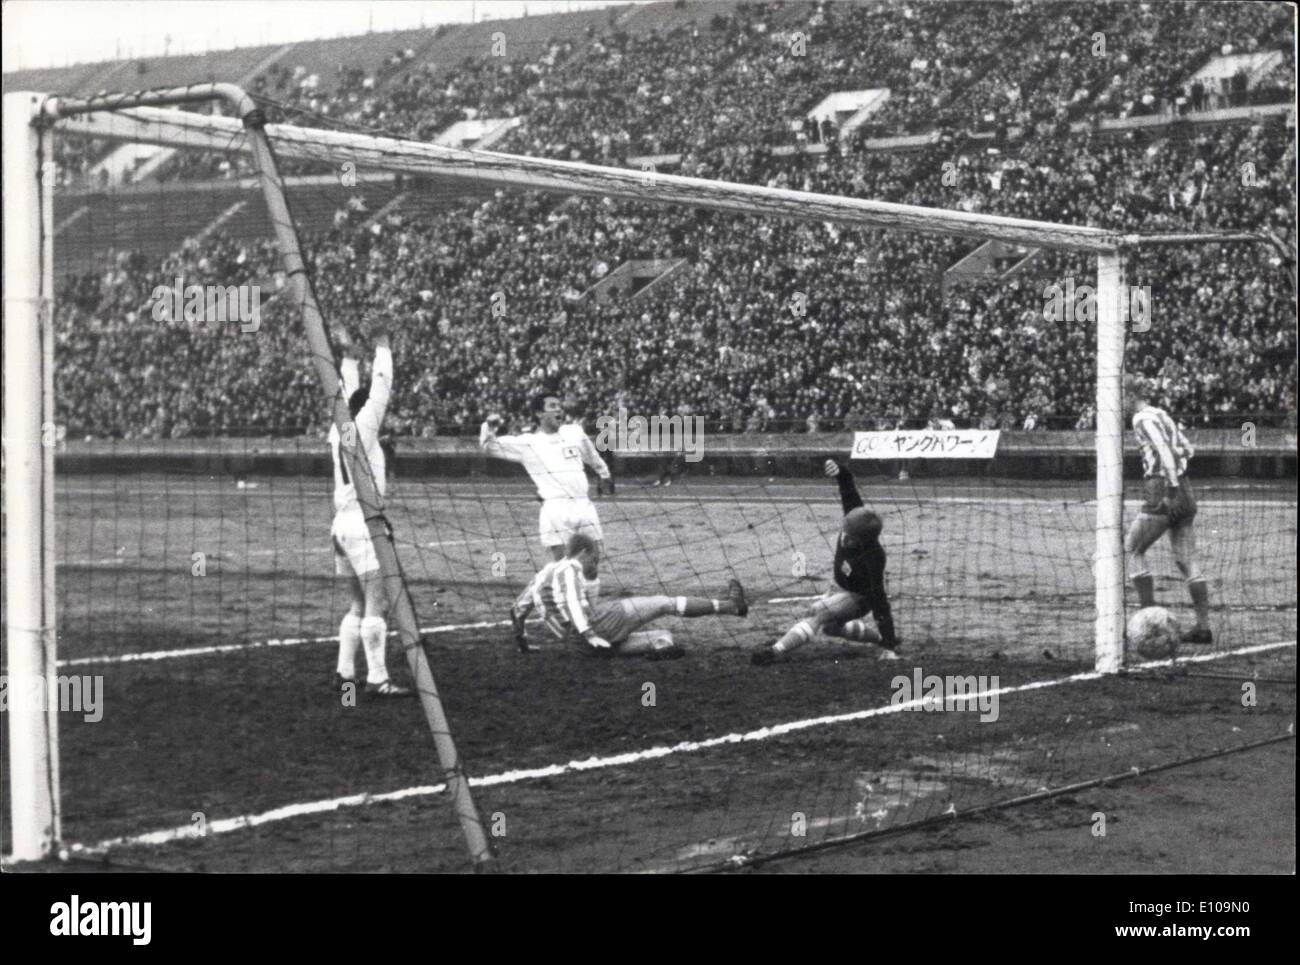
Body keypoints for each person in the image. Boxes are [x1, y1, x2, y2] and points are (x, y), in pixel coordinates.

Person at [752, 459, 899, 665]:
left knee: (818, 612)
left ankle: (774, 652)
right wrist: (839, 470)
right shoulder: (855, 517)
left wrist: (889, 647)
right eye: (844, 532)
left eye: (851, 538)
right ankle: (879, 640)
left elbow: (880, 603)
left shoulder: (873, 558)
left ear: (864, 540)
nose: (844, 538)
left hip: (858, 597)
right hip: (838, 585)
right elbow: (848, 486)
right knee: (831, 628)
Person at [330, 330, 412, 697]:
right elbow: (381, 386)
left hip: (340, 525)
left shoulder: (337, 430)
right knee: (377, 602)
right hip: (364, 523)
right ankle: (378, 678)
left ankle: (345, 671)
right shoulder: (364, 426)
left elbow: (348, 393)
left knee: (357, 602)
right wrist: (382, 346)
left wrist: (348, 357)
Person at [511, 534, 748, 659]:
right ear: (583, 552)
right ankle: (731, 606)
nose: (595, 564)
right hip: (594, 628)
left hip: (578, 648)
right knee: (664, 603)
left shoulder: (540, 578)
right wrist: (589, 632)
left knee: (664, 636)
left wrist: (523, 644)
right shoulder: (568, 567)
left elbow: (517, 611)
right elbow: (573, 602)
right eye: (594, 558)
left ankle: (659, 649)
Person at [480, 393, 615, 598]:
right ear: (538, 413)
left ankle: (590, 613)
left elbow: (592, 456)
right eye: (552, 406)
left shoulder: (574, 432)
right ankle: (529, 604)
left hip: (583, 504)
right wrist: (489, 426)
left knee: (592, 561)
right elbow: (488, 447)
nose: (559, 409)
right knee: (562, 568)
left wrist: (604, 474)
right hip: (555, 510)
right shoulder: (527, 443)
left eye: (560, 405)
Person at [1123, 375, 1213, 644]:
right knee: (1188, 560)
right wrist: (1177, 479)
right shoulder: (1161, 414)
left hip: (1163, 488)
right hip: (1187, 492)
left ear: (1129, 395)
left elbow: (1164, 452)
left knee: (1132, 549)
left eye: (1120, 396)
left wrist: (1169, 487)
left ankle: (1149, 623)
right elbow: (1188, 449)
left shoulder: (1140, 419)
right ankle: (1203, 627)